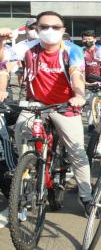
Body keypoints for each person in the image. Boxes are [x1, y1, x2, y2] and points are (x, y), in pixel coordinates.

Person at [0, 11, 92, 216]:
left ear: (63, 30)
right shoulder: (27, 48)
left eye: (55, 27)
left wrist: (78, 95)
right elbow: (3, 59)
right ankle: (24, 178)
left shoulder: (72, 50)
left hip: (65, 105)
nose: (50, 31)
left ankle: (86, 197)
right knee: (22, 134)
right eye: (44, 27)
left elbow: (77, 74)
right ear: (37, 30)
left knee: (77, 152)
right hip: (36, 104)